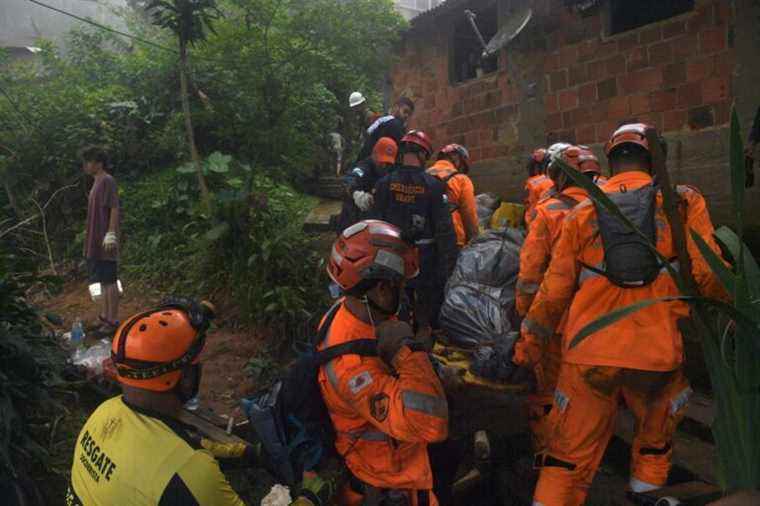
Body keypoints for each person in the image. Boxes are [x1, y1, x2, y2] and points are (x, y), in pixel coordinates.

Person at [516, 124, 727, 506]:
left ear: (611, 161)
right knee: (652, 446)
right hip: (657, 356)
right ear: (656, 158)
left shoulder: (582, 212)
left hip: (589, 355)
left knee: (566, 460)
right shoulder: (681, 203)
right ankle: (645, 496)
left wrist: (527, 347)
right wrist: (726, 319)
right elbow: (710, 274)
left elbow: (553, 292)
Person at [68, 298, 327, 506]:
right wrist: (310, 497)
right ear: (184, 378)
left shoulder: (106, 412)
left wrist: (246, 453)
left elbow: (185, 446)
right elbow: (184, 463)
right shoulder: (193, 474)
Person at [320, 220, 449, 506]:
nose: (403, 292)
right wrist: (408, 353)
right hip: (388, 480)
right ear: (380, 289)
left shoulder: (351, 312)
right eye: (399, 285)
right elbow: (431, 425)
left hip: (400, 460)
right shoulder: (351, 366)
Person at [514, 145, 602, 452]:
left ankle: (550, 457)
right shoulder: (611, 208)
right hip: (604, 320)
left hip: (558, 322)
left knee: (548, 393)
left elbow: (529, 276)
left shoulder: (548, 212)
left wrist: (526, 317)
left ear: (559, 178)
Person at [372, 130, 458, 339]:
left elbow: (375, 222)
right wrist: (450, 263)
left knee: (393, 301)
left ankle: (395, 338)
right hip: (424, 257)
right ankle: (421, 339)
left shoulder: (384, 183)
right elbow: (444, 230)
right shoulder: (434, 186)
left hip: (390, 254)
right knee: (424, 304)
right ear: (424, 155)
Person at [81, 146, 121, 334]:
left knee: (110, 279)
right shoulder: (96, 181)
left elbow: (114, 207)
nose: (86, 165)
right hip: (95, 238)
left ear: (99, 163)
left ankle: (113, 321)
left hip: (106, 239)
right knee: (103, 280)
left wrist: (111, 233)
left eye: (89, 161)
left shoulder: (107, 180)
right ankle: (105, 317)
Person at [335, 137, 398, 234]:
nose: (384, 165)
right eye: (381, 160)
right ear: (374, 154)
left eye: (387, 162)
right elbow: (348, 180)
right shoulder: (363, 167)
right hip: (352, 221)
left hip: (376, 224)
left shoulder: (391, 171)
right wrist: (356, 194)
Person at [426, 144, 479, 248]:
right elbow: (469, 216)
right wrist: (475, 242)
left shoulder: (423, 175)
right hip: (452, 242)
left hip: (424, 241)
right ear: (457, 159)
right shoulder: (461, 179)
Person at [357, 97, 415, 162]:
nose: (406, 115)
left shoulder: (385, 119)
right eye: (405, 111)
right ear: (396, 107)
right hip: (372, 164)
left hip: (365, 162)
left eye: (409, 114)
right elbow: (403, 147)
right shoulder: (395, 124)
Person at [523, 147, 554, 228]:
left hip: (533, 221)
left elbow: (528, 203)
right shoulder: (551, 182)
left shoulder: (530, 182)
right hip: (545, 222)